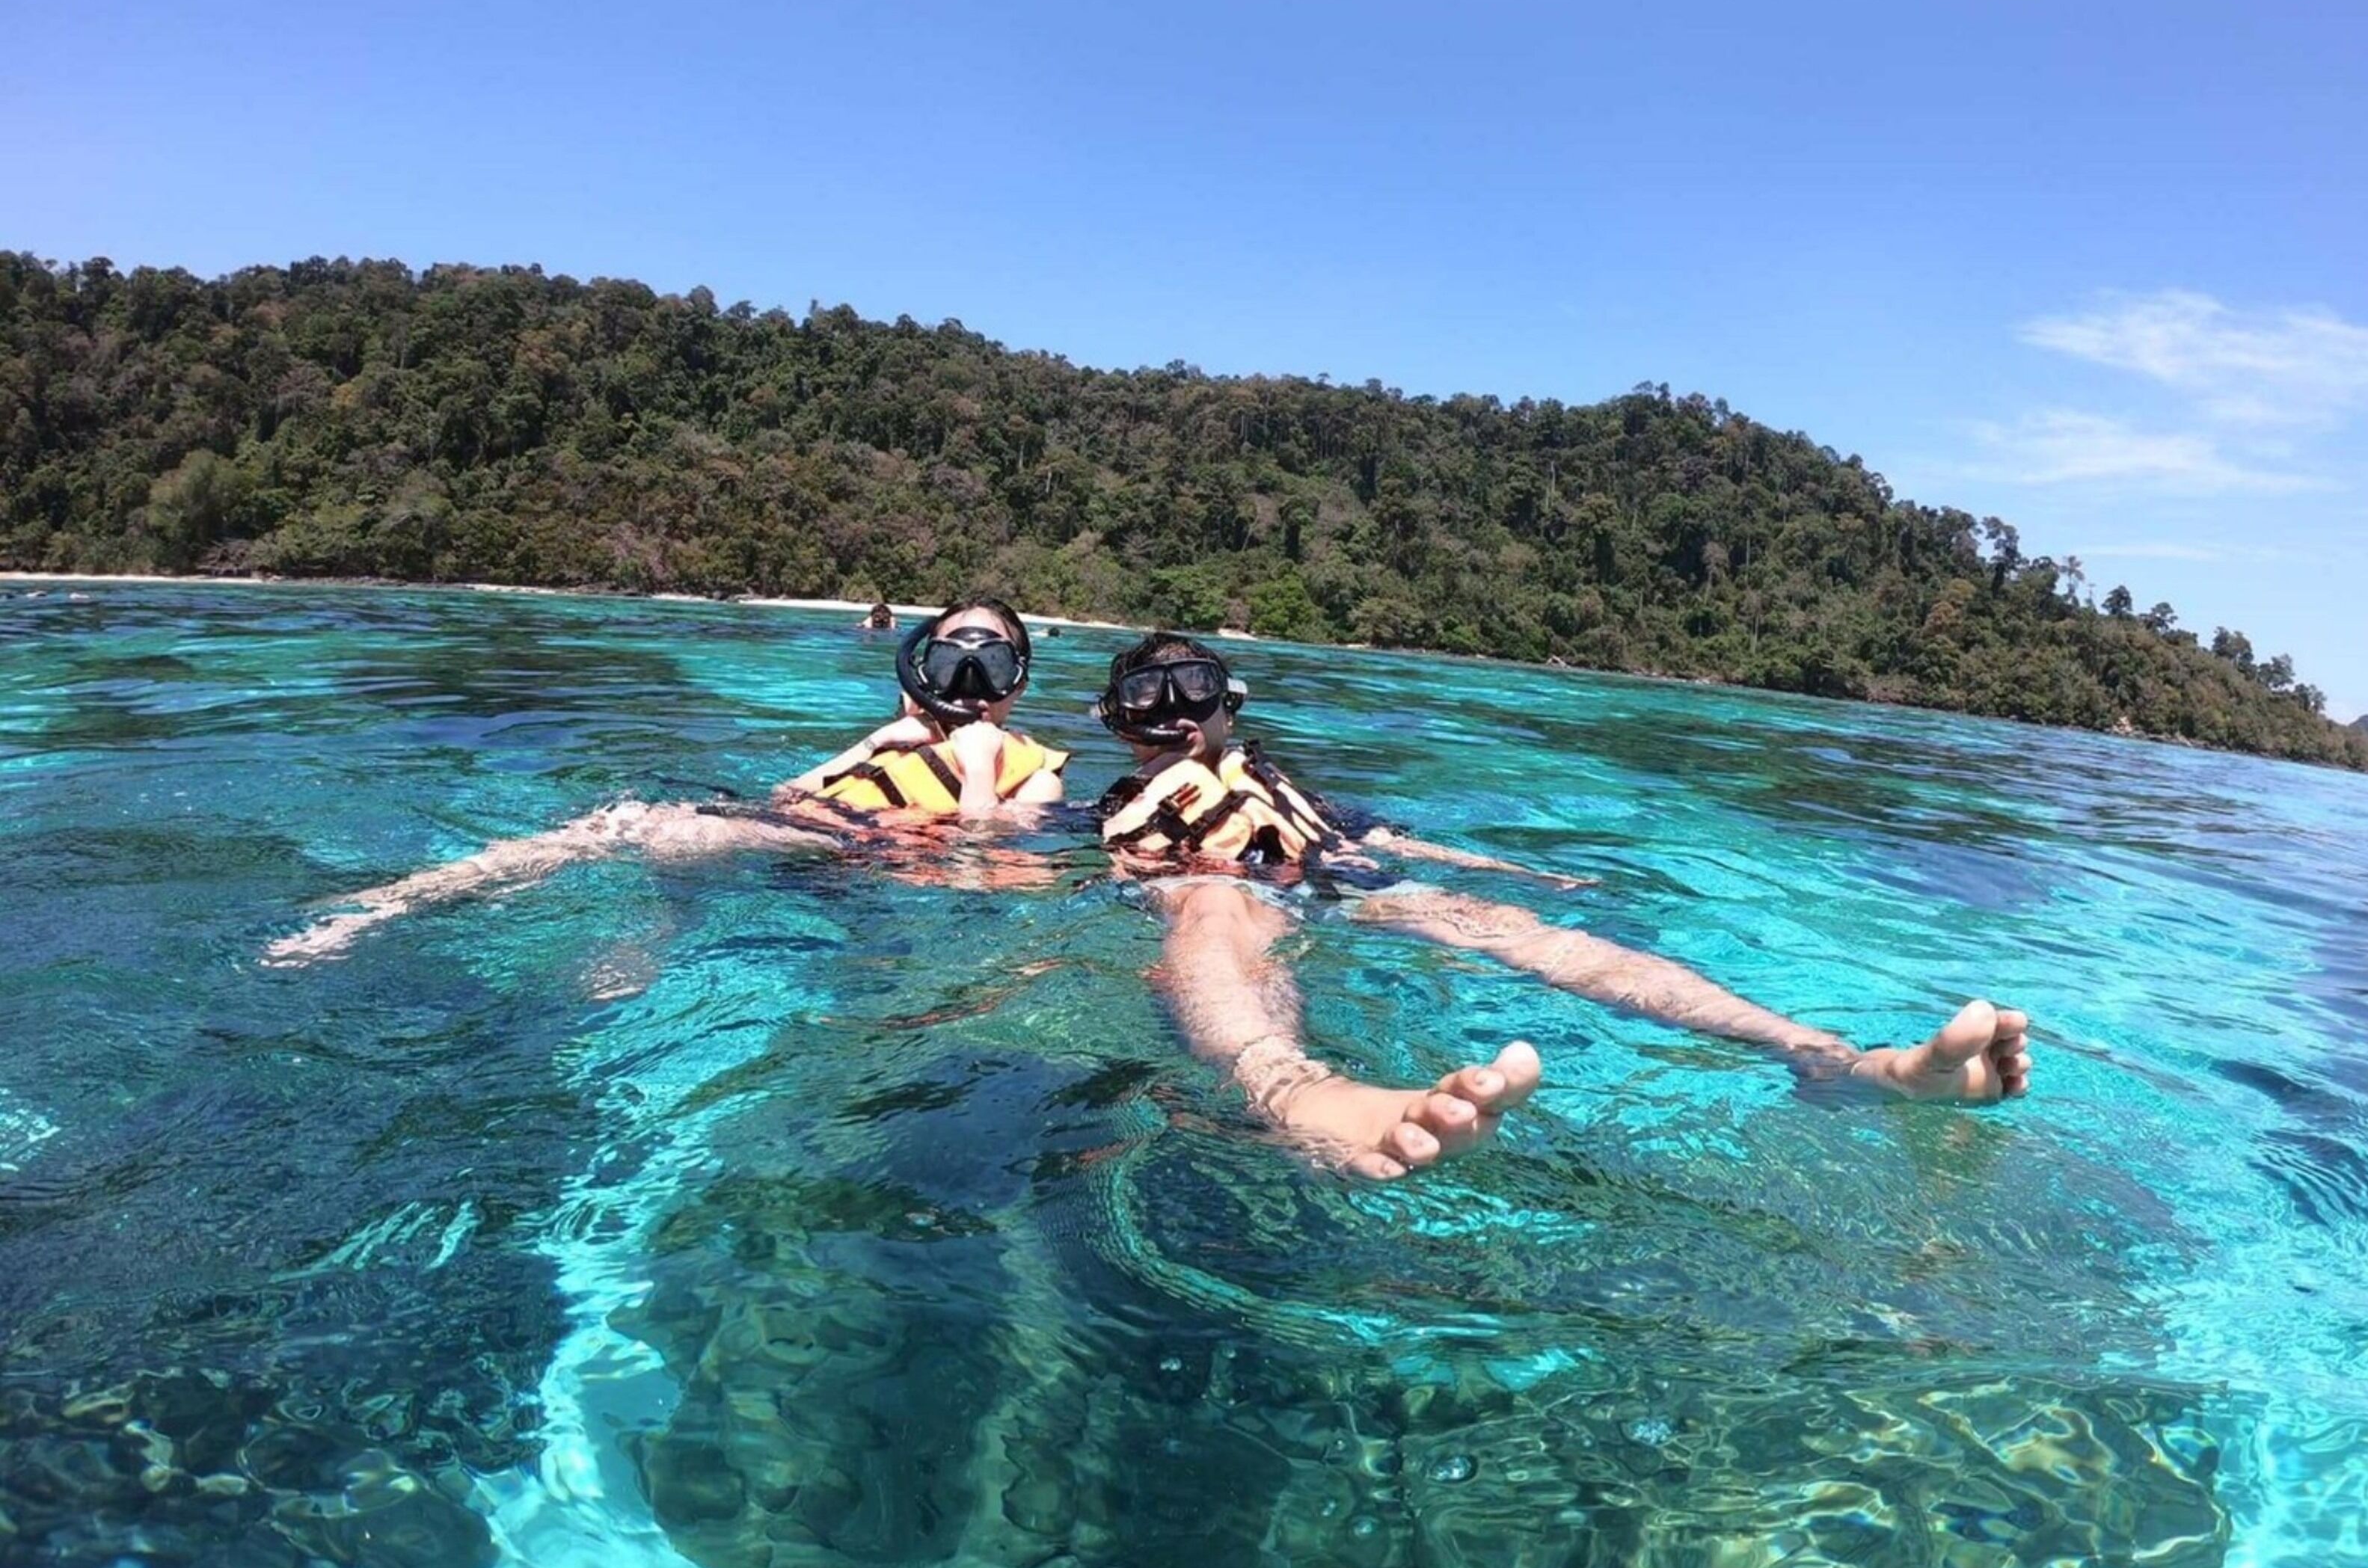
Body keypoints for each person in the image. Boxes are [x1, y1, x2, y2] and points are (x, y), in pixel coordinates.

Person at [1092, 633, 2033, 1180]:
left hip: (1348, 890)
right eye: (1144, 692)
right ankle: (1303, 1097)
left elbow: (1389, 845)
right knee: (1212, 910)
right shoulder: (1110, 809)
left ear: (1231, 705)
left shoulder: (1297, 793)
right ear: (1114, 717)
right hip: (1208, 890)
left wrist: (1524, 877)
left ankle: (1835, 1060)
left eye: (1195, 688)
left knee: (1530, 937)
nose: (1172, 707)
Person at [266, 602, 1067, 963]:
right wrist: (867, 741)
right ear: (917, 670)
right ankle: (387, 904)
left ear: (1017, 682)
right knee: (620, 822)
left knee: (655, 828)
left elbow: (991, 869)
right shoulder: (887, 739)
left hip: (876, 870)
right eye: (951, 659)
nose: (967, 679)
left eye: (989, 661)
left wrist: (975, 766)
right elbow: (787, 799)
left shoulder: (1028, 769)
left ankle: (653, 921)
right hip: (801, 843)